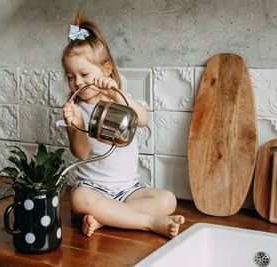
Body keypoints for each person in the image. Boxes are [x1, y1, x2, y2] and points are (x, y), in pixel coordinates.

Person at [61, 13, 185, 238]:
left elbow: (143, 119)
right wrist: (77, 124)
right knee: (79, 199)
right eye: (70, 76)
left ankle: (103, 219)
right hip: (94, 189)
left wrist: (115, 94)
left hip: (128, 190)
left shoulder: (118, 99)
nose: (77, 82)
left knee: (168, 200)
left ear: (107, 70)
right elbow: (80, 153)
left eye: (84, 74)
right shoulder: (75, 109)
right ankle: (149, 222)